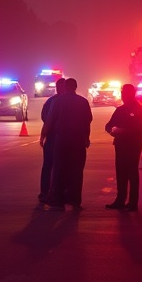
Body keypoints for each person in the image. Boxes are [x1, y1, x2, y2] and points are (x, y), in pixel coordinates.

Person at [40, 78, 92, 211]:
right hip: (78, 141)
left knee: (59, 170)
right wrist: (86, 138)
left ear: (66, 87)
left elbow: (49, 120)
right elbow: (87, 121)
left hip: (61, 140)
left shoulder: (57, 101)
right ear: (75, 87)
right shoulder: (83, 102)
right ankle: (75, 200)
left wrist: (43, 135)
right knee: (77, 170)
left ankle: (58, 200)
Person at [104, 84, 142, 211]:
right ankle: (120, 199)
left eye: (124, 93)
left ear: (131, 94)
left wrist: (124, 131)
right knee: (121, 172)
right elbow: (108, 125)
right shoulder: (120, 110)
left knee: (132, 172)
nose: (123, 95)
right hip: (120, 144)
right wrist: (112, 131)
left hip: (133, 145)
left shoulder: (138, 109)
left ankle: (133, 202)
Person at [38, 77, 67, 204]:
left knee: (50, 166)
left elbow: (46, 119)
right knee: (54, 166)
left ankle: (47, 192)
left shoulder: (52, 101)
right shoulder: (54, 101)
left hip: (54, 137)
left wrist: (43, 134)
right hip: (60, 137)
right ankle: (54, 192)